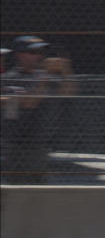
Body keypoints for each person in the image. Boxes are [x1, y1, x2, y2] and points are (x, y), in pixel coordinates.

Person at [1, 36, 74, 184]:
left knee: (40, 185)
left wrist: (66, 71)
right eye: (33, 52)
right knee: (18, 185)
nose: (39, 56)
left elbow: (68, 93)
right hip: (16, 144)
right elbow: (28, 103)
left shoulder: (43, 76)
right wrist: (45, 79)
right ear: (20, 54)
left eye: (41, 52)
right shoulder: (10, 78)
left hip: (40, 142)